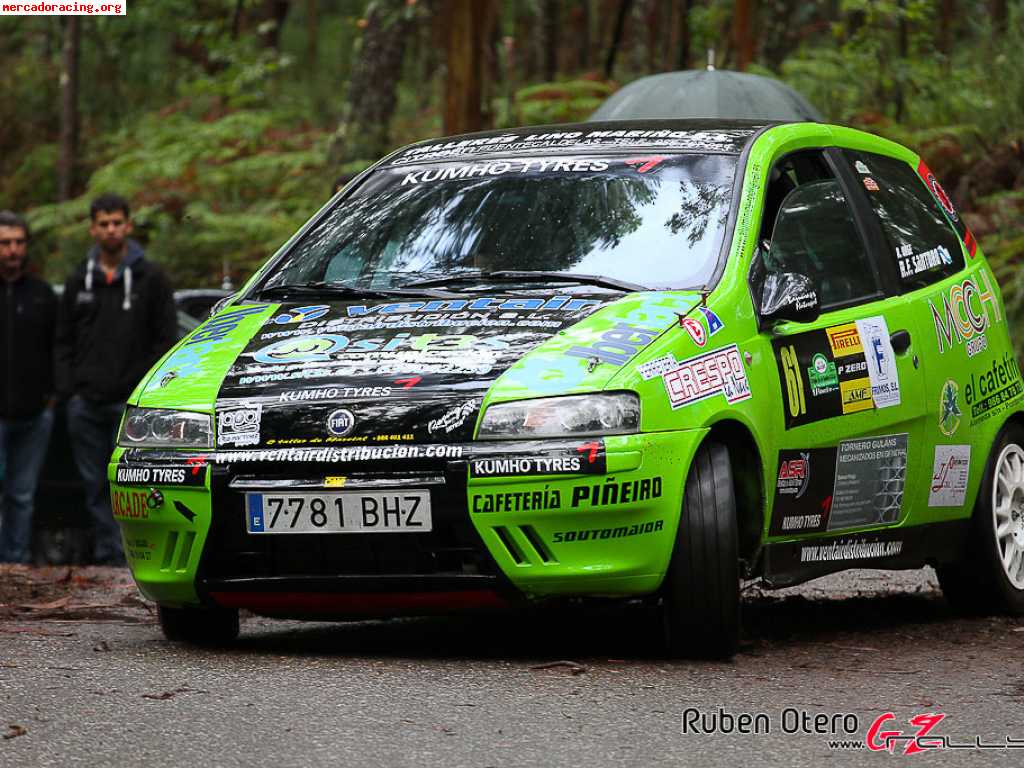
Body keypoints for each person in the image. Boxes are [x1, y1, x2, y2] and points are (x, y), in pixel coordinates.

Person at [55, 194, 177, 565]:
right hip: (86, 403)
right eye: (103, 223)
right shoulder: (80, 279)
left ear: (128, 225)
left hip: (132, 406)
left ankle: (135, 558)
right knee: (94, 486)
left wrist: (149, 393)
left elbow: (166, 340)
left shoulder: (152, 278)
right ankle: (109, 557)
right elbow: (62, 339)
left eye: (117, 222)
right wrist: (69, 390)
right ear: (93, 229)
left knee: (132, 484)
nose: (111, 229)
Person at [0, 211, 57, 564]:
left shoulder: (42, 294)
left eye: (19, 242)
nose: (13, 250)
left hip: (35, 414)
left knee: (22, 494)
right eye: (5, 243)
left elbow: (60, 346)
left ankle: (14, 563)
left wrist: (52, 397)